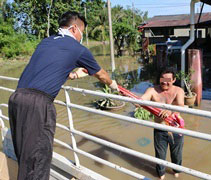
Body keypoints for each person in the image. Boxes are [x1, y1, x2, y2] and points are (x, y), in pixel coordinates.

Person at [8, 11, 118, 180]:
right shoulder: (78, 49)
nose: (81, 36)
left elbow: (47, 70)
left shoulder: (46, 42)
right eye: (82, 31)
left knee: (25, 155)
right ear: (74, 28)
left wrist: (73, 75)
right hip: (38, 105)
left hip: (17, 98)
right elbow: (101, 74)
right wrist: (113, 85)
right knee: (38, 158)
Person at [140, 68, 184, 180]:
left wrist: (170, 111)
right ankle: (161, 175)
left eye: (168, 79)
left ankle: (176, 171)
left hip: (176, 128)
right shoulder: (152, 90)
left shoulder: (178, 90)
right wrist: (137, 101)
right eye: (162, 79)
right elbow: (143, 98)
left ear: (173, 80)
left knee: (177, 154)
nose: (164, 82)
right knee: (160, 155)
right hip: (160, 128)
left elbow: (180, 105)